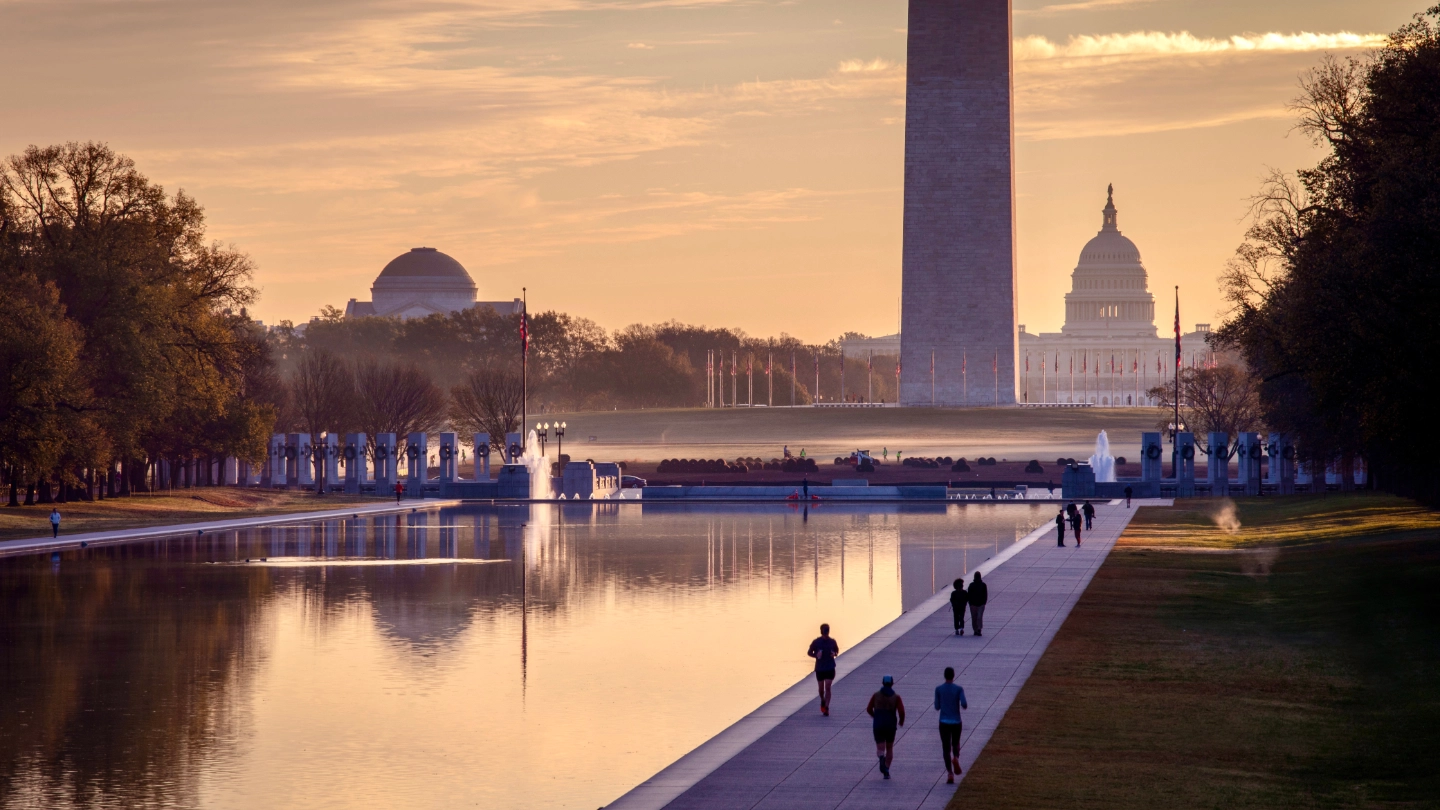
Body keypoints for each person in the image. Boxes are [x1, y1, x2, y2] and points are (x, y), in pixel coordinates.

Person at [866, 675, 906, 779]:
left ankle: (881, 757)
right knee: (889, 747)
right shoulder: (896, 697)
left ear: (882, 683)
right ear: (892, 683)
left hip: (878, 724)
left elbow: (869, 708)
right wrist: (901, 721)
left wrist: (875, 716)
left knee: (880, 747)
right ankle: (886, 769)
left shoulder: (876, 695)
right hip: (890, 725)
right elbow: (901, 712)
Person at [934, 667, 968, 783]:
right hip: (956, 721)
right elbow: (964, 704)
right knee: (956, 743)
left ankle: (949, 773)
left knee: (945, 747)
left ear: (944, 675)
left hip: (943, 721)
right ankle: (956, 757)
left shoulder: (939, 689)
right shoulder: (959, 689)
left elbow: (937, 706)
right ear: (953, 676)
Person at [807, 624, 839, 716]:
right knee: (821, 690)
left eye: (827, 632)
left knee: (828, 687)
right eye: (825, 632)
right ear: (821, 632)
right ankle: (822, 700)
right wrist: (816, 655)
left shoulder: (832, 641)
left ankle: (827, 708)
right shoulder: (816, 642)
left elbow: (837, 651)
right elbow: (809, 652)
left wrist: (834, 654)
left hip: (830, 667)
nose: (826, 634)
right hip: (820, 668)